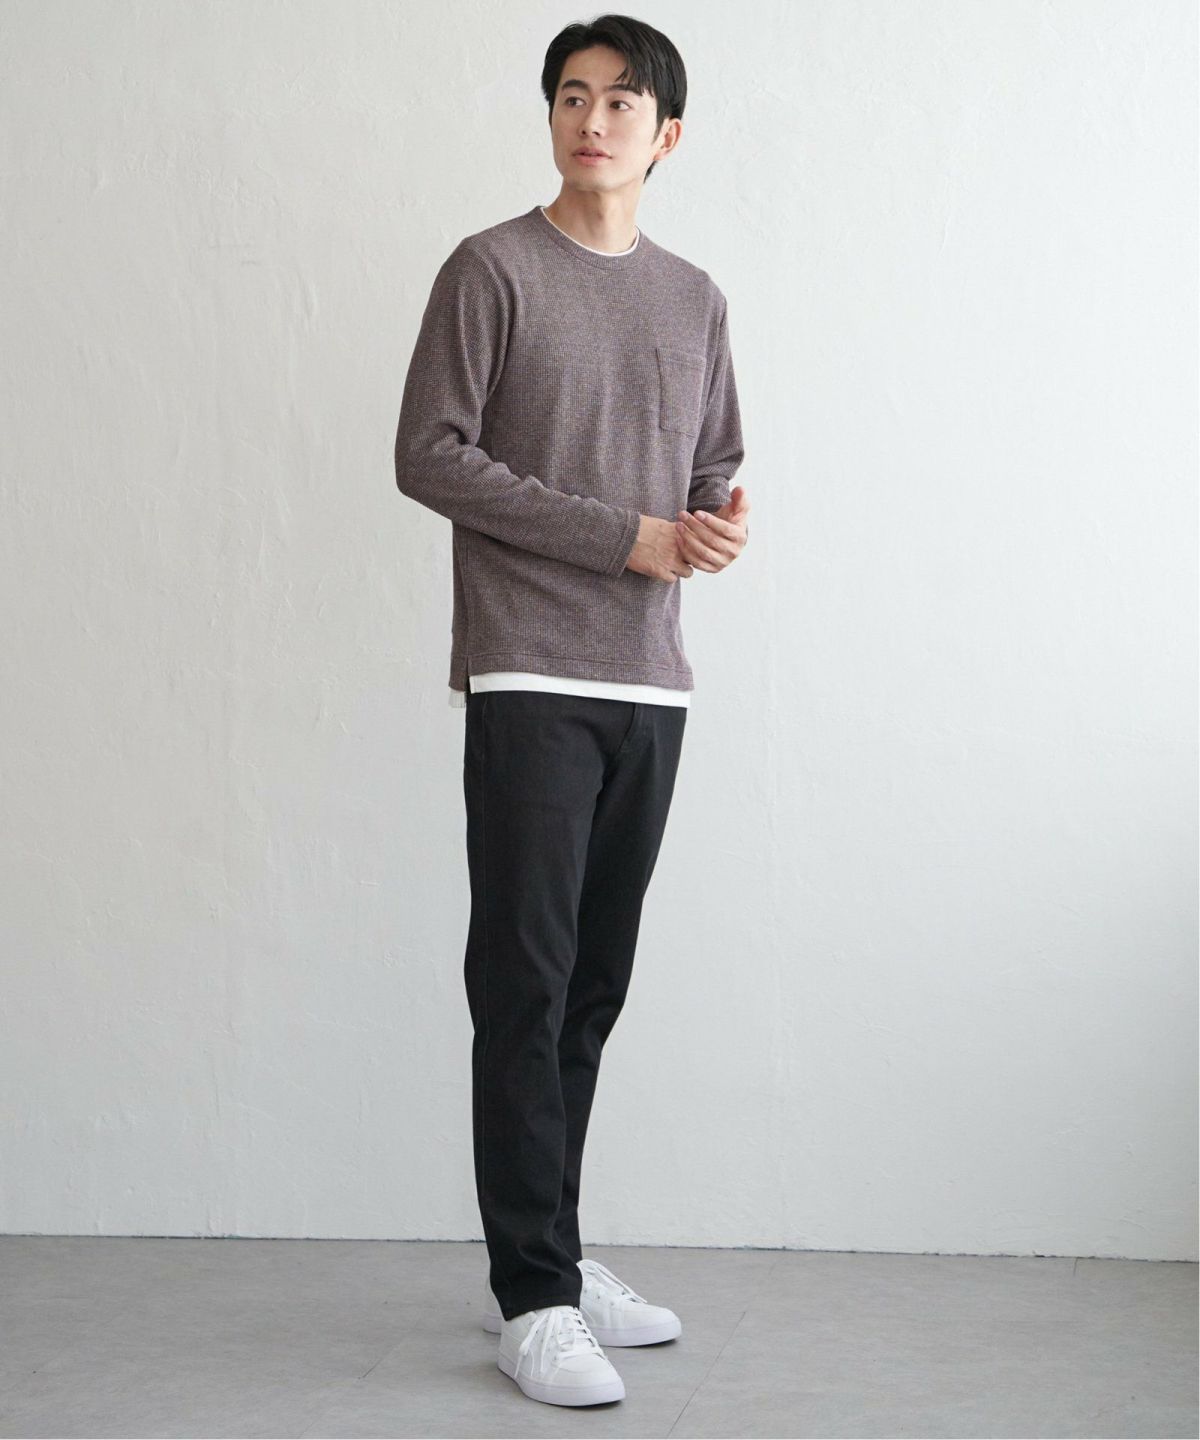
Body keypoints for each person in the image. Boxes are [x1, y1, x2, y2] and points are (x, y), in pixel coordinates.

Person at [394, 12, 748, 1408]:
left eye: (620, 102)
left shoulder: (695, 298)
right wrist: (626, 537)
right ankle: (531, 1297)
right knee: (525, 985)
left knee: (592, 988)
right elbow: (430, 454)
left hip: (649, 680)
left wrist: (713, 526)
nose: (591, 120)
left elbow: (713, 465)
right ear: (552, 117)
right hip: (530, 669)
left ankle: (558, 1246)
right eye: (571, 96)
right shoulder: (491, 270)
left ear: (668, 135)